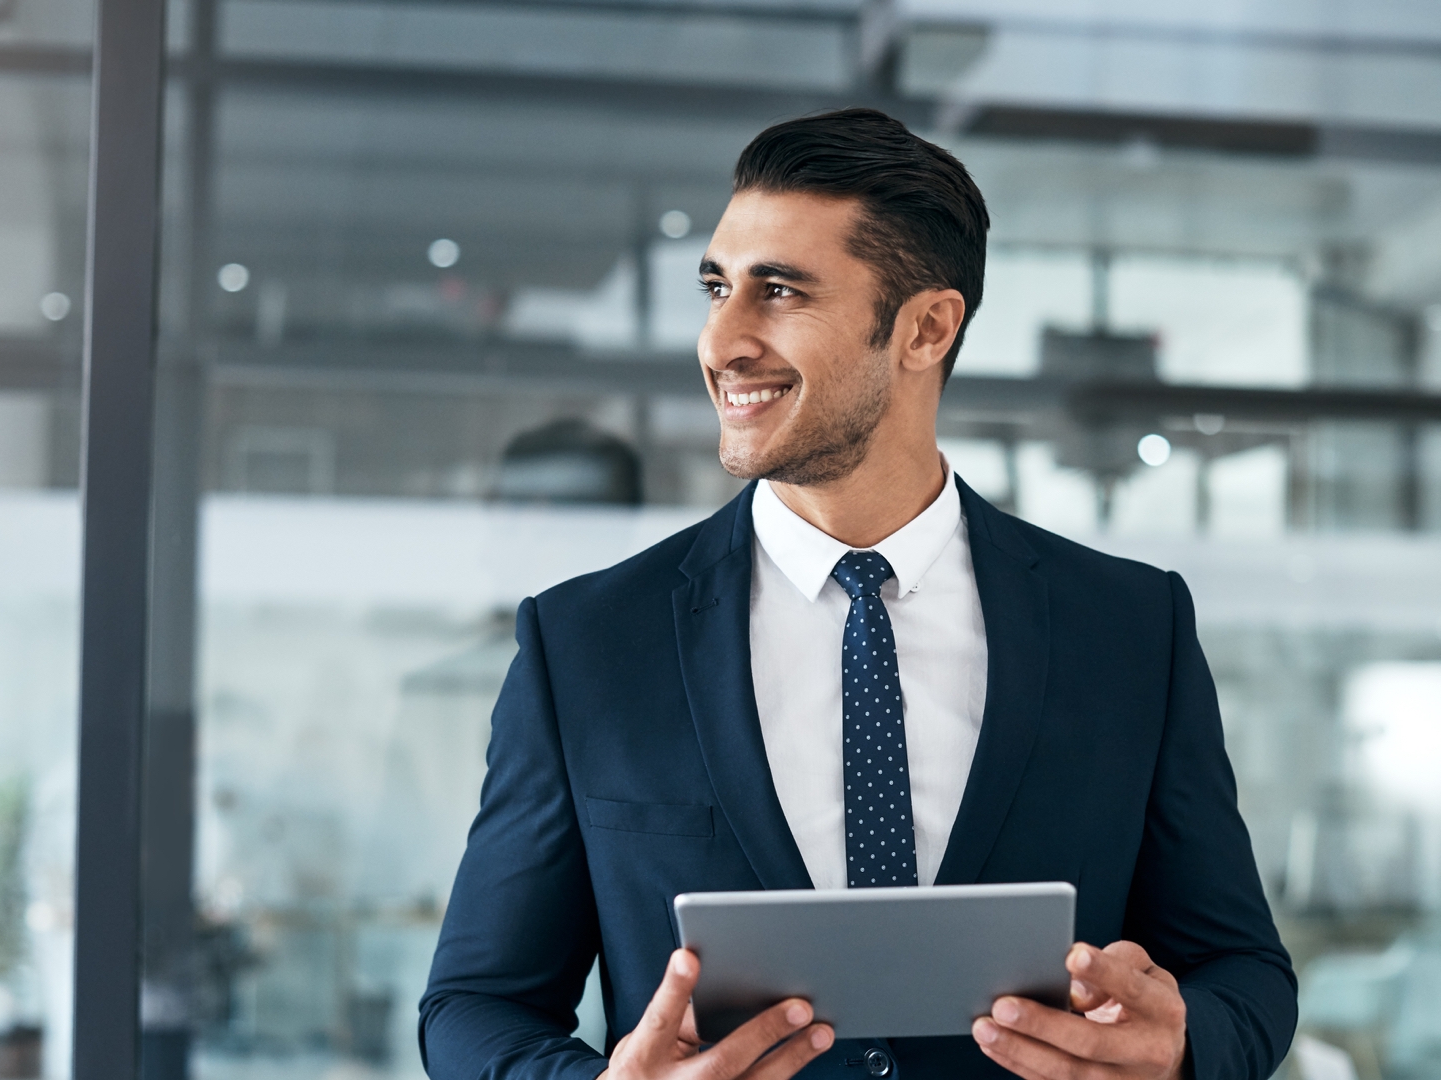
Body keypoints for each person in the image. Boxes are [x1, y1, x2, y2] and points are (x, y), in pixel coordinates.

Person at [419, 108, 1296, 1080]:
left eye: (779, 292)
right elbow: (476, 1004)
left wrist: (1182, 1049)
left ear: (926, 327)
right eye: (718, 289)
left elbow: (1243, 973)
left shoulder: (1132, 631)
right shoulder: (585, 645)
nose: (723, 341)